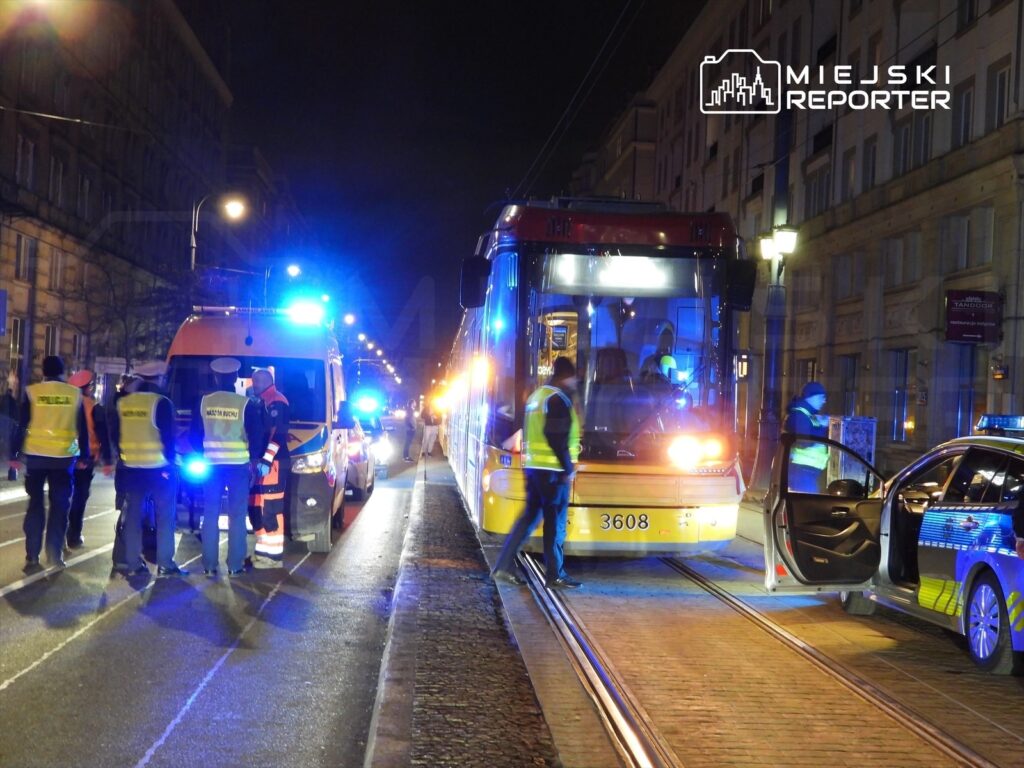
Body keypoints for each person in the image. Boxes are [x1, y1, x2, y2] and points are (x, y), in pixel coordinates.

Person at [492, 356, 582, 589]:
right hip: (553, 472)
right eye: (573, 377)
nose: (575, 382)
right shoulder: (558, 399)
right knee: (555, 525)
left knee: (528, 518)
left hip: (534, 470)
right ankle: (555, 575)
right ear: (566, 376)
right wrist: (568, 467)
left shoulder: (536, 397)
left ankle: (503, 566)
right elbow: (556, 436)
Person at [8, 355, 91, 571]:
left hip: (35, 457)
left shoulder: (32, 392)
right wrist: (82, 457)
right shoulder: (75, 394)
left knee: (35, 505)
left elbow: (23, 426)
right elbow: (81, 429)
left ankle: (32, 556)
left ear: (43, 371)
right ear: (63, 372)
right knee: (60, 506)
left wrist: (15, 454)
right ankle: (55, 555)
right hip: (64, 459)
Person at [108, 361, 187, 576]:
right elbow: (168, 437)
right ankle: (165, 563)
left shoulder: (124, 403)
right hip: (159, 467)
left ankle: (132, 563)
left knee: (133, 516)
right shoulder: (161, 402)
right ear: (160, 378)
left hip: (132, 467)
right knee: (165, 516)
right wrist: (171, 461)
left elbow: (115, 433)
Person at [190, 357, 264, 577]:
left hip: (211, 467)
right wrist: (254, 459)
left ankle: (209, 566)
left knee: (210, 515)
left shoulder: (203, 402)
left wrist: (204, 452)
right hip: (238, 467)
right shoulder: (245, 404)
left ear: (215, 377)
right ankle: (235, 565)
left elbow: (194, 436)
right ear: (235, 378)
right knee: (237, 516)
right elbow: (257, 436)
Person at [66, 370, 112, 549]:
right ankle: (74, 535)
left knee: (64, 496)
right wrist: (108, 460)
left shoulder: (67, 404)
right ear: (86, 388)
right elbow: (103, 435)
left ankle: (60, 534)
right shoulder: (94, 407)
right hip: (86, 457)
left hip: (65, 455)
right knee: (80, 495)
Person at [248, 368, 289, 565]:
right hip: (264, 463)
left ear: (266, 382)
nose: (252, 386)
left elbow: (278, 434)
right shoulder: (262, 402)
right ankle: (262, 551)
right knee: (257, 506)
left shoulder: (277, 401)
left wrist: (266, 459)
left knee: (270, 509)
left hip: (274, 463)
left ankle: (273, 556)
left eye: (256, 382)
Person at [783, 381, 830, 494]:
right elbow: (804, 441)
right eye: (821, 397)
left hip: (807, 471)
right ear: (811, 397)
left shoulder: (807, 414)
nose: (824, 401)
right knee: (805, 507)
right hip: (802, 471)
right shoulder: (799, 415)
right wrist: (823, 427)